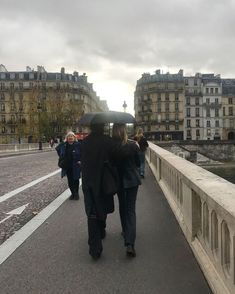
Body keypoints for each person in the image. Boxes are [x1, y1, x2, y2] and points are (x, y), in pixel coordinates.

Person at [81, 124, 118, 260]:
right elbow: (115, 160)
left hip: (89, 181)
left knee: (91, 212)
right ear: (103, 127)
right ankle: (102, 228)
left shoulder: (85, 142)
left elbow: (83, 162)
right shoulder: (108, 141)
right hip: (104, 181)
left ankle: (94, 248)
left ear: (90, 127)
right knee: (102, 207)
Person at [112, 124, 141, 257]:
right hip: (132, 181)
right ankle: (130, 243)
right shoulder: (133, 145)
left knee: (122, 207)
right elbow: (138, 163)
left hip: (119, 181)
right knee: (130, 210)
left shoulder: (111, 147)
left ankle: (125, 230)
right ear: (125, 131)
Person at [56, 131, 81, 200]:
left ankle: (76, 193)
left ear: (74, 137)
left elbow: (83, 153)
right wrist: (61, 157)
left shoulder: (78, 144)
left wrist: (80, 160)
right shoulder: (64, 145)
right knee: (70, 181)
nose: (70, 137)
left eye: (72, 136)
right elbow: (57, 149)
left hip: (76, 165)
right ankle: (72, 193)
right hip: (67, 166)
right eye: (69, 136)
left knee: (76, 180)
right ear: (67, 138)